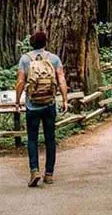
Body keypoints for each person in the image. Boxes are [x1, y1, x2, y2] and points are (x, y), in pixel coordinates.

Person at [15, 31, 68, 187]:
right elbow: (61, 79)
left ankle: (34, 170)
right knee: (50, 139)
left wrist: (18, 101)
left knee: (32, 139)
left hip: (32, 106)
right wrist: (65, 99)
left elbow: (20, 82)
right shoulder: (54, 59)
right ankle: (49, 174)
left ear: (31, 43)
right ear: (46, 42)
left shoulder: (25, 59)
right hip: (49, 104)